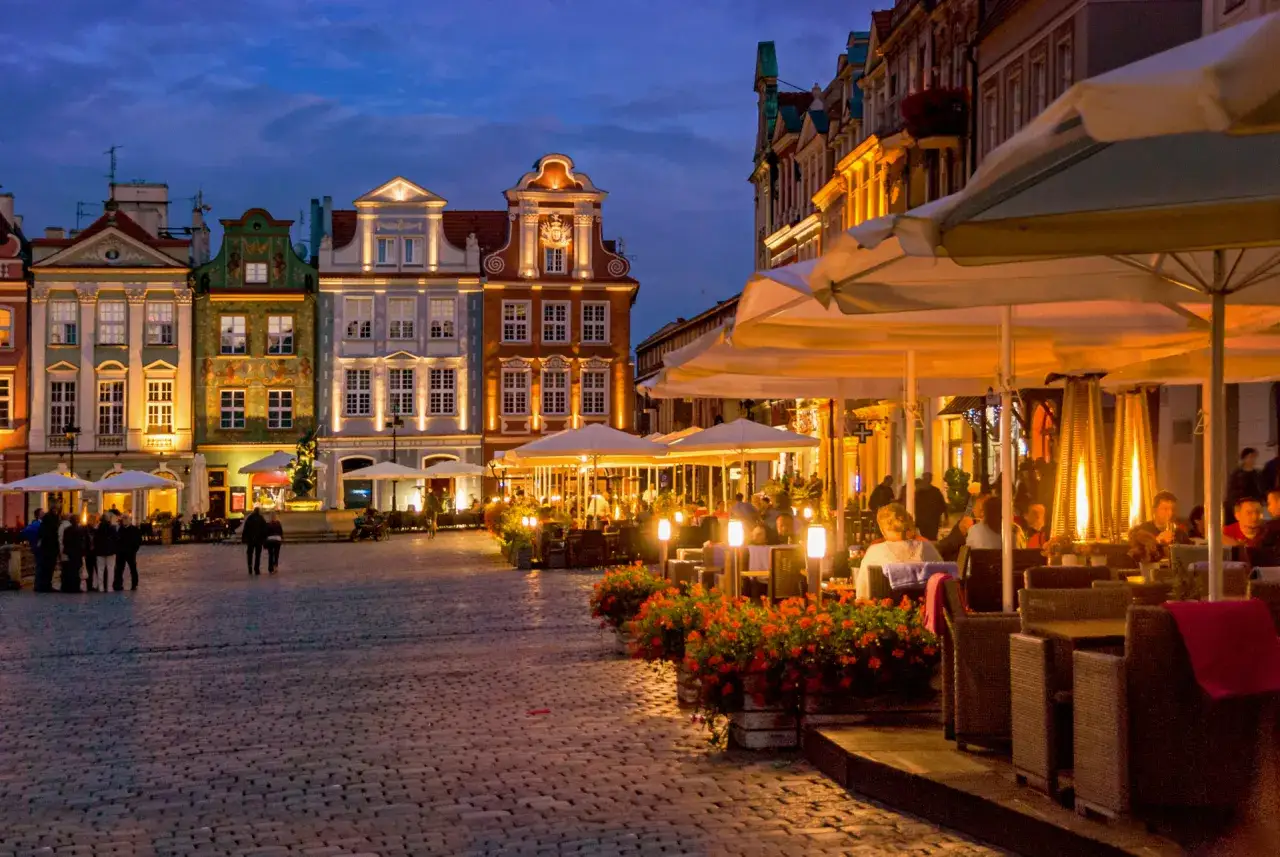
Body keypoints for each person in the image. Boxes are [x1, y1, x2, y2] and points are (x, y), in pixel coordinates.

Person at [858, 503, 942, 599]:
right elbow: (943, 582)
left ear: (882, 529)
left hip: (884, 612)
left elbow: (862, 593)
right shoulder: (927, 548)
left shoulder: (874, 552)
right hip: (922, 611)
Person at [1227, 447, 1263, 525]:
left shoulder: (1257, 474)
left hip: (1254, 505)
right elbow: (1232, 492)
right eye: (1250, 457)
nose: (1252, 460)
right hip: (1240, 506)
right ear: (1244, 458)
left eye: (1254, 457)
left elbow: (1260, 490)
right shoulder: (1237, 475)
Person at [914, 473, 947, 541]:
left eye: (927, 478)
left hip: (933, 520)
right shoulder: (919, 492)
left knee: (932, 538)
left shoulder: (935, 491)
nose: (926, 480)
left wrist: (945, 516)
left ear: (930, 479)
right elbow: (916, 505)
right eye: (925, 478)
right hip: (922, 521)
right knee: (924, 538)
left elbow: (942, 504)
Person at [34, 508, 61, 593]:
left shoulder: (43, 526)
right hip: (49, 551)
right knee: (47, 569)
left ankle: (41, 585)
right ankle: (45, 585)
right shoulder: (51, 527)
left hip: (45, 550)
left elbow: (40, 538)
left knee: (43, 569)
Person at [113, 514, 141, 590]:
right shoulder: (120, 529)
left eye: (126, 518)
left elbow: (138, 541)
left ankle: (134, 584)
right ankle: (118, 585)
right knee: (119, 569)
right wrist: (117, 550)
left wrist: (134, 550)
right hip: (120, 553)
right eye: (123, 519)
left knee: (133, 569)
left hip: (130, 553)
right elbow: (116, 540)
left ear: (130, 520)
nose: (124, 520)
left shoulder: (135, 530)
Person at [59, 513, 84, 593]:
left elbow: (64, 541)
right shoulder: (80, 530)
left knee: (68, 570)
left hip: (69, 552)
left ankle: (67, 586)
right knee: (76, 570)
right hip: (77, 552)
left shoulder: (67, 529)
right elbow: (81, 542)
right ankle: (75, 587)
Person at [94, 513, 118, 593]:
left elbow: (95, 540)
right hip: (110, 551)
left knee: (100, 569)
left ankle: (101, 587)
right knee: (110, 569)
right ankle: (109, 587)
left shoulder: (98, 528)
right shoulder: (112, 528)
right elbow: (116, 538)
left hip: (100, 551)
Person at [242, 506, 268, 576]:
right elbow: (265, 529)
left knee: (250, 554)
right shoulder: (261, 518)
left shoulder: (249, 518)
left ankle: (250, 567)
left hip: (250, 540)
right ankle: (257, 569)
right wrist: (264, 538)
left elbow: (245, 528)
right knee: (258, 555)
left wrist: (244, 538)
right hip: (258, 540)